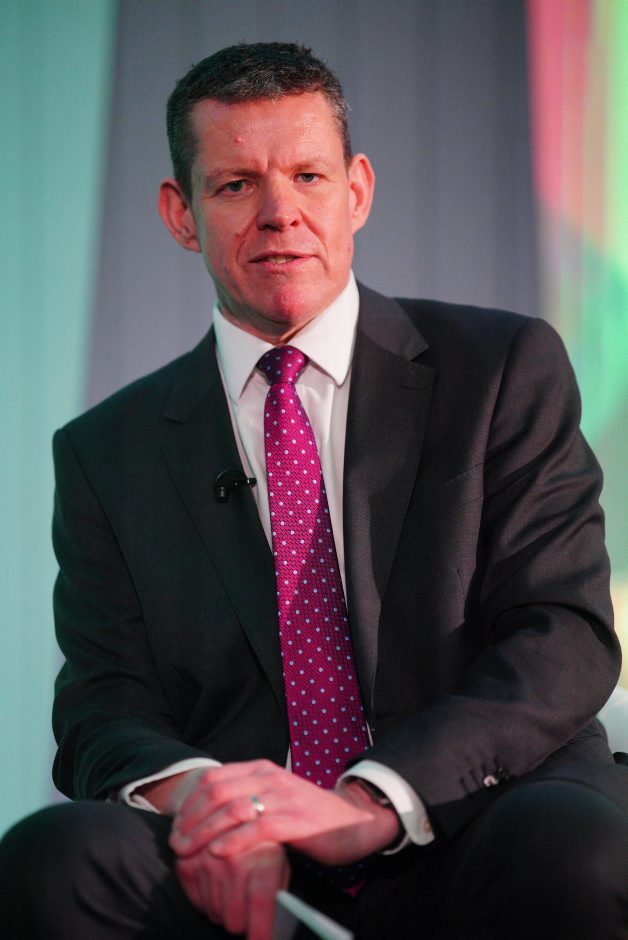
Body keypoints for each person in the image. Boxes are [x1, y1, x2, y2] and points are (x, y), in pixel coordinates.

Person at [1, 42, 627, 940]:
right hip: (250, 863)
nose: (280, 213)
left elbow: (561, 635)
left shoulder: (501, 369)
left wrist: (373, 801)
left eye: (307, 176)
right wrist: (215, 807)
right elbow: (103, 705)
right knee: (54, 859)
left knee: (577, 853)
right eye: (235, 186)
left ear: (357, 191)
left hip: (474, 816)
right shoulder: (107, 451)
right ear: (181, 214)